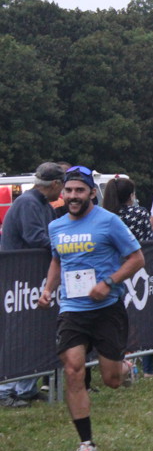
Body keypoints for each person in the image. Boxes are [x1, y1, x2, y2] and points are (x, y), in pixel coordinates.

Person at [38, 166, 145, 451]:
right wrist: (48, 289)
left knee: (111, 379)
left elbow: (137, 259)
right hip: (72, 309)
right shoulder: (56, 226)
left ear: (91, 194)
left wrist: (108, 282)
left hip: (107, 309)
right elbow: (57, 260)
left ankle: (126, 369)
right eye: (69, 190)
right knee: (73, 369)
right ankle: (87, 444)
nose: (73, 196)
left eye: (79, 191)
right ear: (63, 192)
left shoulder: (109, 222)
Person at [0, 162, 63, 407]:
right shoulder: (28, 203)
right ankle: (5, 391)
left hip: (31, 280)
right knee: (18, 334)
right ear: (55, 184)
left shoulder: (42, 204)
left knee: (34, 332)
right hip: (18, 281)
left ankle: (25, 388)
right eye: (63, 186)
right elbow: (35, 237)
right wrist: (66, 247)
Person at [102, 177, 153, 377]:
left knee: (116, 320)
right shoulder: (139, 213)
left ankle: (117, 361)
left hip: (112, 271)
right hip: (138, 270)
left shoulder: (105, 215)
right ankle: (148, 368)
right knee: (145, 317)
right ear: (131, 195)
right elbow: (147, 240)